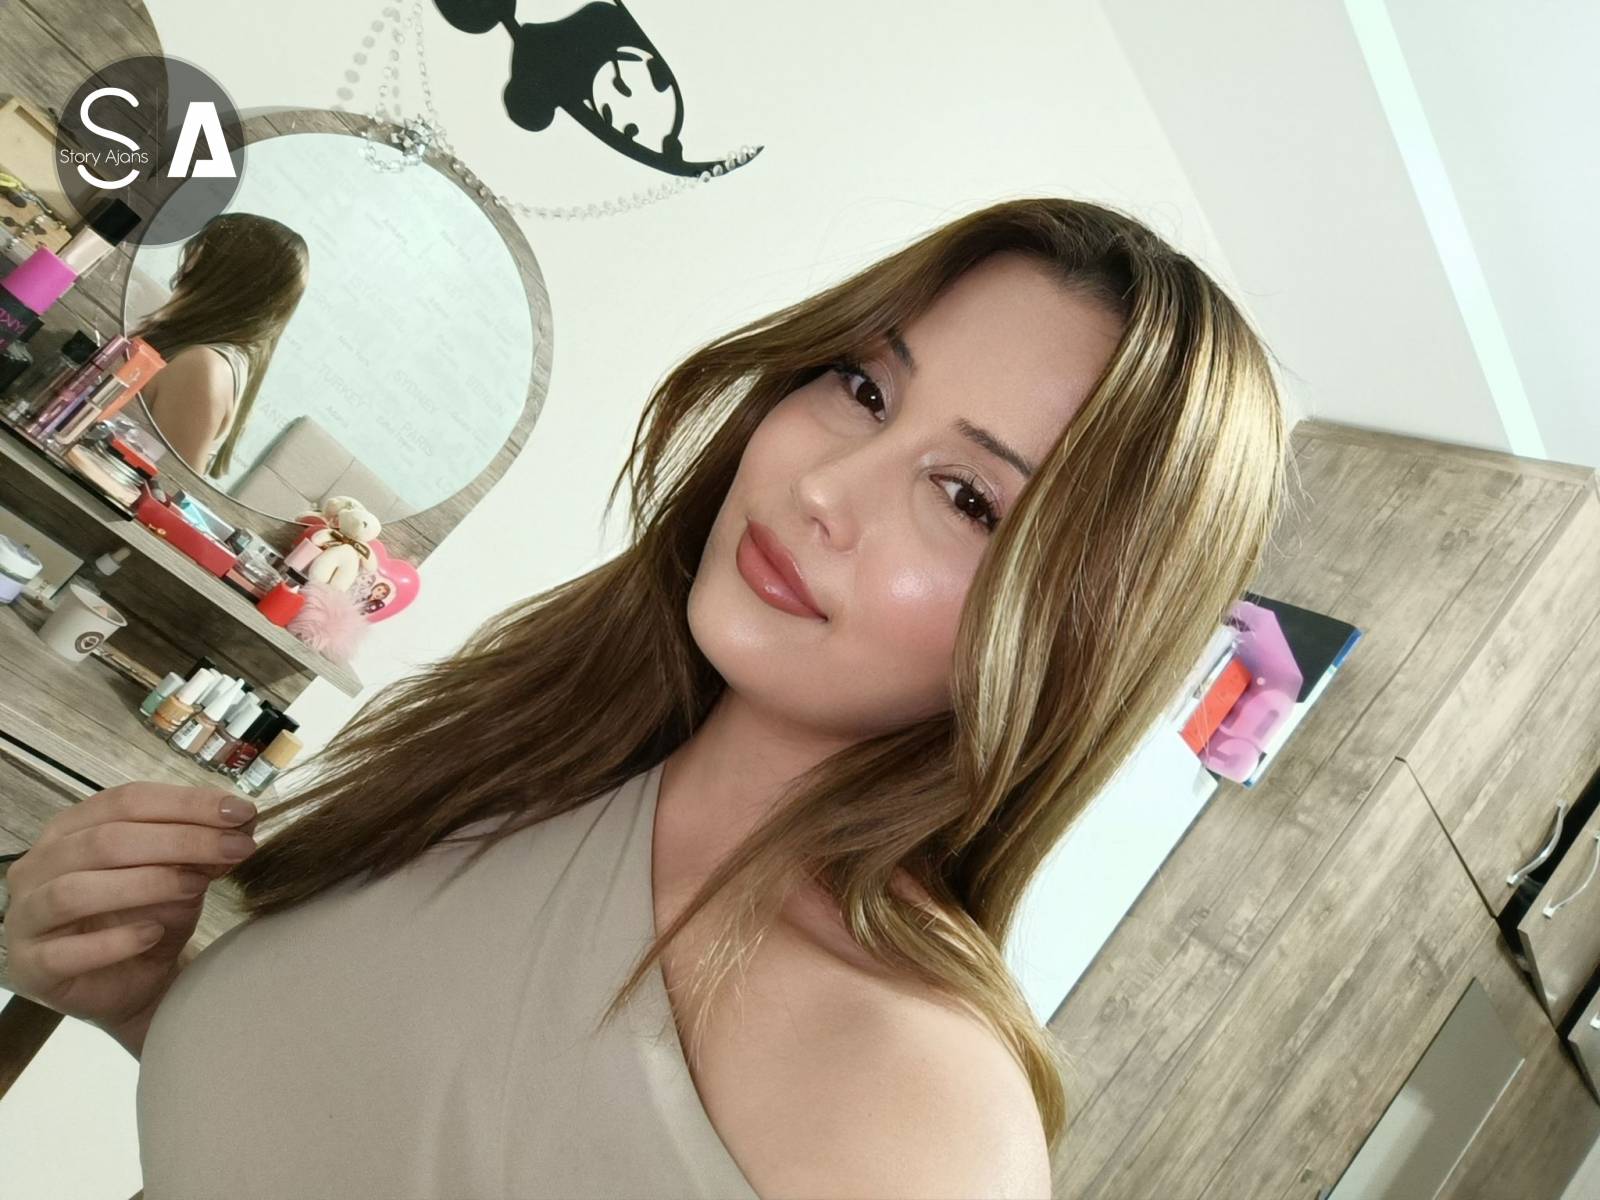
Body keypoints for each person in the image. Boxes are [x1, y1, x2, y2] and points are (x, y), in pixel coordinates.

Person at [2, 197, 1289, 1198]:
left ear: (1077, 637)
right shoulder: (536, 745)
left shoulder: (915, 1110)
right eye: (863, 389)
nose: (823, 489)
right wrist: (137, 991)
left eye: (967, 499)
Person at [128, 212, 309, 478]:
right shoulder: (203, 353)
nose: (186, 264)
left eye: (199, 252)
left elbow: (168, 485)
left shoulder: (202, 366)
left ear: (222, 276)